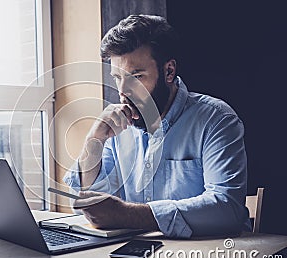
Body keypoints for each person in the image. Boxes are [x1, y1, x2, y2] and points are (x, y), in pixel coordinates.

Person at [63, 14, 250, 238]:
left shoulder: (216, 120)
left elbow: (226, 209)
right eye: (117, 77)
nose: (123, 91)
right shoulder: (118, 127)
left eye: (136, 76)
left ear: (169, 71)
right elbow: (95, 203)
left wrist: (128, 215)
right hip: (138, 255)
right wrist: (94, 140)